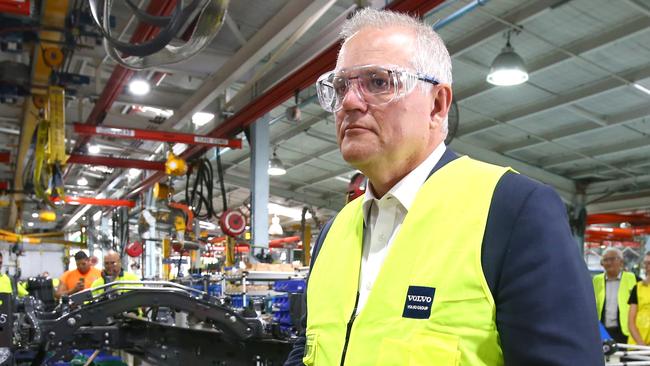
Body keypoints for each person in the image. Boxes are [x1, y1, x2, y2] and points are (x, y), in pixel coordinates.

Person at [285, 8, 603, 366]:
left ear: (437, 105)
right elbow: (308, 348)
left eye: (378, 82)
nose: (349, 102)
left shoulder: (511, 211)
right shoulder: (333, 233)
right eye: (342, 86)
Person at [592, 247, 637, 344]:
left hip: (625, 330)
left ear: (621, 262)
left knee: (624, 357)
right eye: (605, 260)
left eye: (612, 259)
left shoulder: (632, 278)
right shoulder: (596, 280)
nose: (608, 263)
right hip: (602, 330)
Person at [628, 252, 650, 345]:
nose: (647, 266)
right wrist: (642, 345)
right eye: (646, 263)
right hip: (639, 346)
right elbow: (631, 322)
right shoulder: (637, 288)